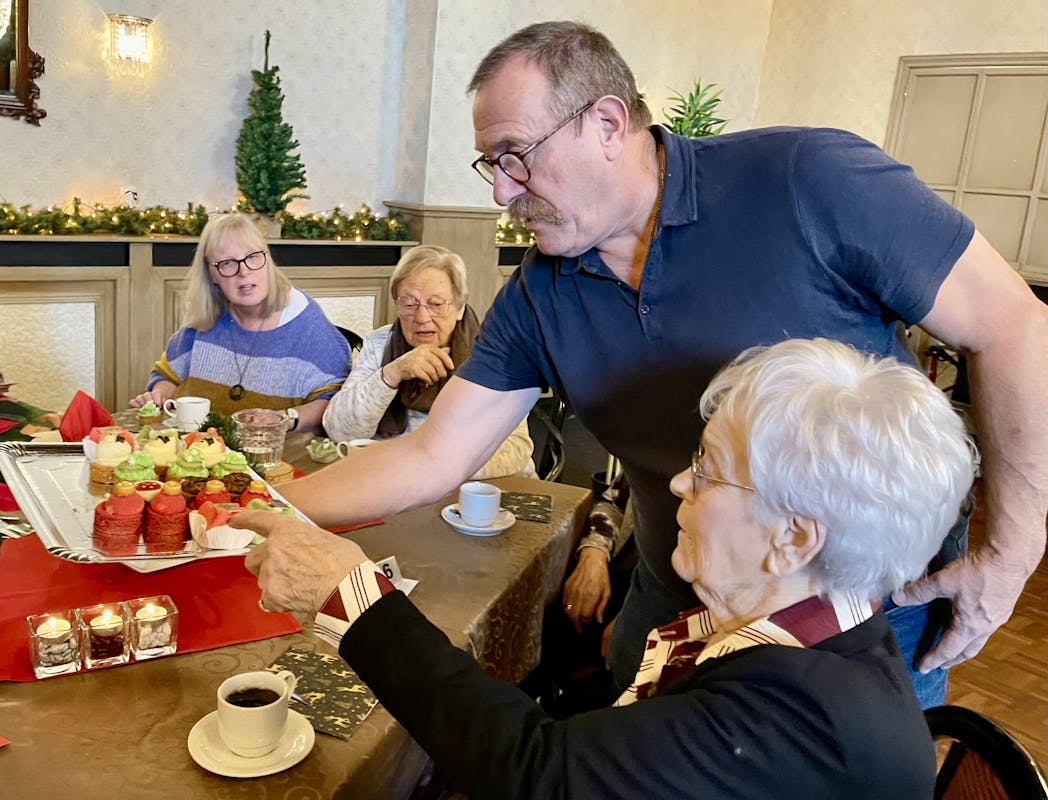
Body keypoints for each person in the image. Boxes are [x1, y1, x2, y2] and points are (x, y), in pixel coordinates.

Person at [277, 21, 1048, 709]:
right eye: (492, 165)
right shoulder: (542, 291)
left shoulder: (806, 178)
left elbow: (1013, 323)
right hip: (679, 585)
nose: (504, 191)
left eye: (517, 156)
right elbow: (430, 455)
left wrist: (1011, 553)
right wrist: (268, 505)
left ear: (608, 123)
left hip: (866, 603)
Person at [241, 338, 975, 799]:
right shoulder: (822, 643)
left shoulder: (801, 719)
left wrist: (354, 598)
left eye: (709, 469)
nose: (680, 484)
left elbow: (537, 773)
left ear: (792, 539)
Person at [322, 245, 534, 479]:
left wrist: (435, 469)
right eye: (409, 304)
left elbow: (517, 446)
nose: (422, 317)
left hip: (478, 488)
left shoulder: (494, 353)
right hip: (394, 483)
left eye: (436, 304)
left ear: (459, 308)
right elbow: (340, 432)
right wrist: (391, 374)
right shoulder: (380, 344)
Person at [129, 213, 350, 433]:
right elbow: (168, 376)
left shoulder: (305, 321)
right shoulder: (209, 314)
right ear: (212, 274)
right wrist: (158, 396)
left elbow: (338, 403)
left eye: (252, 257)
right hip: (200, 446)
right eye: (227, 263)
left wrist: (284, 418)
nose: (244, 271)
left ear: (267, 260)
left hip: (275, 450)